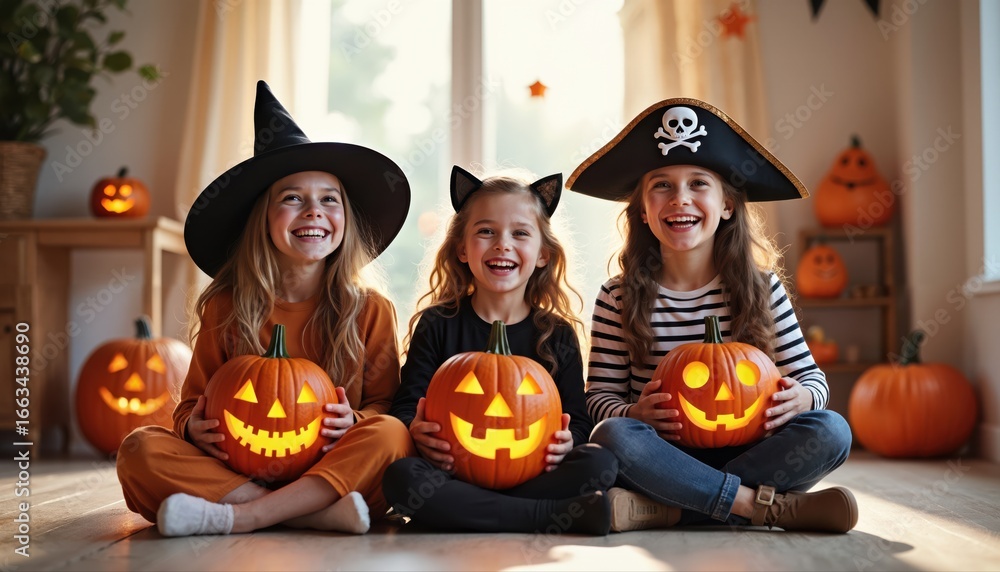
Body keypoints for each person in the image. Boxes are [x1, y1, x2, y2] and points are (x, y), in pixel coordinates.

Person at [116, 80, 415, 537]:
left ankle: (244, 517)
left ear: (345, 221)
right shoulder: (227, 306)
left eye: (328, 200)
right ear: (263, 219)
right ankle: (305, 515)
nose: (313, 212)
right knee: (141, 449)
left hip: (333, 466)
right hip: (240, 469)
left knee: (391, 436)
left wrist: (352, 421)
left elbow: (385, 407)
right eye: (292, 198)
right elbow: (192, 403)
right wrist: (192, 428)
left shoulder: (369, 309)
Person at [565, 98, 857, 533]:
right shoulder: (617, 296)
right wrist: (635, 414)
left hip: (754, 448)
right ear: (643, 211)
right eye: (661, 185)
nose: (679, 198)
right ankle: (763, 507)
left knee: (831, 429)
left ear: (727, 205)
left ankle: (674, 508)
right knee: (612, 437)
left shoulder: (763, 289)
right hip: (662, 455)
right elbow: (600, 399)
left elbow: (814, 381)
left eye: (698, 183)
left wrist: (803, 398)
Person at [381, 166, 618, 535]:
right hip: (452, 470)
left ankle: (475, 512)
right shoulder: (438, 324)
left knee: (598, 463)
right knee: (401, 478)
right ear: (462, 249)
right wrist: (416, 428)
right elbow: (407, 405)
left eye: (520, 233)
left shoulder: (557, 333)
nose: (502, 244)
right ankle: (544, 516)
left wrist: (567, 442)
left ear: (542, 254)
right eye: (486, 231)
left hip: (534, 471)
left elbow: (578, 418)